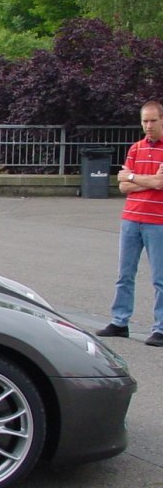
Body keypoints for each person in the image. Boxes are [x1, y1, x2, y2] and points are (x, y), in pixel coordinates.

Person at [97, 99, 163, 347]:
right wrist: (144, 180)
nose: (148, 126)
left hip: (158, 221)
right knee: (124, 274)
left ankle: (161, 327)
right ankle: (120, 321)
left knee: (160, 277)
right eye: (144, 121)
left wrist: (134, 177)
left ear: (162, 120)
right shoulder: (135, 148)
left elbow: (159, 184)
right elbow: (122, 186)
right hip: (131, 218)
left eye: (153, 121)